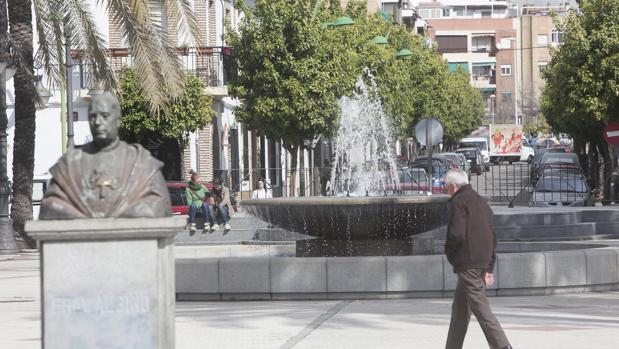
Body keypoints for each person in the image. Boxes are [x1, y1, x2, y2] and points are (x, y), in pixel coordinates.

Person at [40, 92, 171, 219]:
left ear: (118, 121)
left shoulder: (141, 163)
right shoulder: (69, 164)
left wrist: (127, 212)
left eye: (104, 116)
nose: (97, 122)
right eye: (92, 116)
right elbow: (50, 206)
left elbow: (160, 204)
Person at [443, 169, 512, 349]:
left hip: (467, 262)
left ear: (453, 185)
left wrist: (450, 253)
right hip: (479, 261)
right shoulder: (481, 202)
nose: (446, 190)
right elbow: (492, 236)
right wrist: (489, 266)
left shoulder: (458, 201)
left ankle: (503, 346)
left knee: (481, 307)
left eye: (446, 186)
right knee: (460, 311)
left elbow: (456, 234)